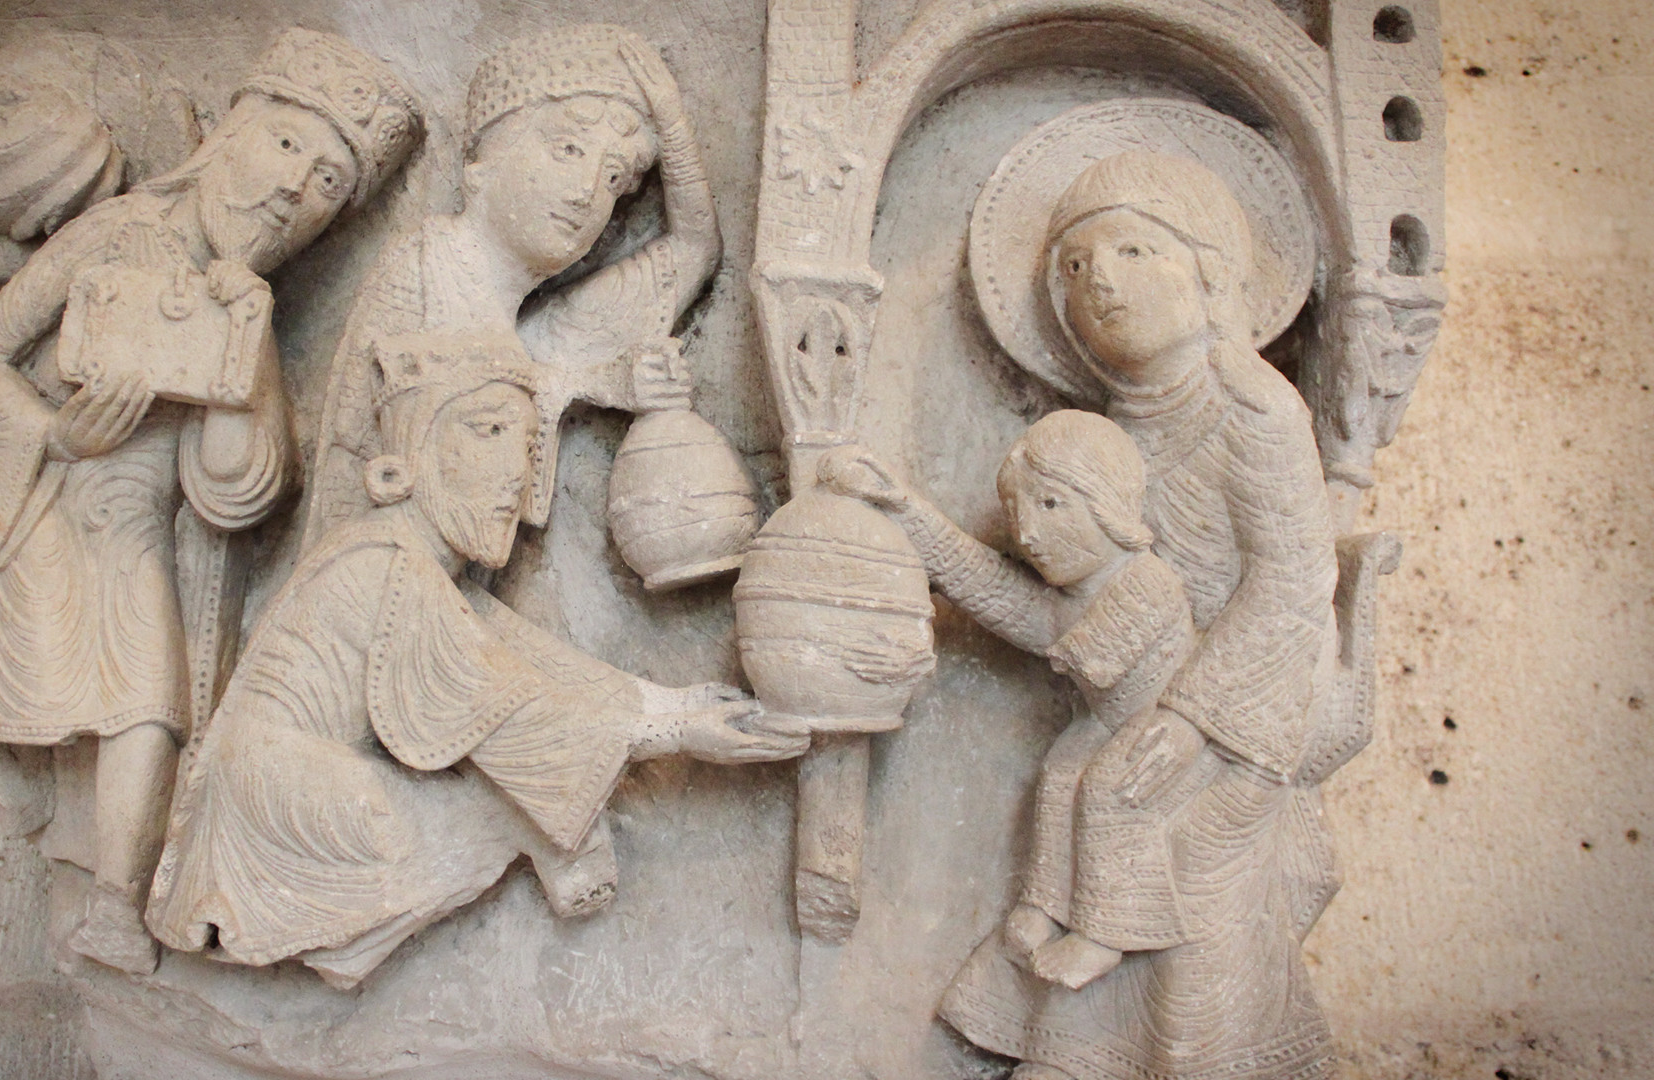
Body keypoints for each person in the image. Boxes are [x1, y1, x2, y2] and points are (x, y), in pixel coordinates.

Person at [0, 29, 421, 975]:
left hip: (137, 539)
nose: (296, 186)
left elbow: (246, 488)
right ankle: (83, 856)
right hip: (49, 510)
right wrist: (51, 435)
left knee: (152, 701)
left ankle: (117, 907)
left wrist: (243, 364)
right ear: (231, 132)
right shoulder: (118, 233)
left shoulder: (251, 305)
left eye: (330, 182)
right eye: (290, 144)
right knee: (71, 691)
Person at [145, 347, 808, 991]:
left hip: (302, 788)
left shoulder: (428, 575)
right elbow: (502, 711)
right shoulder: (387, 561)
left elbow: (541, 667)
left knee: (514, 795)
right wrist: (677, 735)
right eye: (485, 432)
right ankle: (549, 844)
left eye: (521, 447)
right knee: (489, 806)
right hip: (287, 799)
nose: (511, 473)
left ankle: (554, 840)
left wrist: (677, 705)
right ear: (403, 465)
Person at [934, 151, 1349, 1080]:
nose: (1101, 282)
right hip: (1136, 700)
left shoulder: (1254, 411)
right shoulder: (1104, 433)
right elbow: (1057, 612)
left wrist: (1195, 720)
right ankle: (1083, 1056)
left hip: (1245, 711)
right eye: (1074, 268)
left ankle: (1206, 1059)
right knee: (1080, 779)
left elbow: (1291, 582)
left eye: (1132, 249)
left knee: (1187, 838)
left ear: (1207, 270)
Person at [303, 23, 721, 551]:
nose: (587, 192)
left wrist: (673, 124)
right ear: (486, 159)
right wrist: (600, 383)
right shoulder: (423, 266)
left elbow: (695, 247)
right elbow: (374, 453)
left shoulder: (535, 326)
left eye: (614, 177)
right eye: (568, 149)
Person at [821, 409, 1197, 992]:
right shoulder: (1072, 593)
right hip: (1106, 722)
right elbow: (990, 585)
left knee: (1103, 789)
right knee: (1061, 771)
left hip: (1158, 734)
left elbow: (1086, 654)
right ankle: (1047, 902)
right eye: (1018, 512)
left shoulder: (1146, 583)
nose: (1026, 533)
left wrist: (919, 649)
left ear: (1110, 504)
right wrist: (902, 507)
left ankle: (1106, 932)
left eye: (1050, 506)